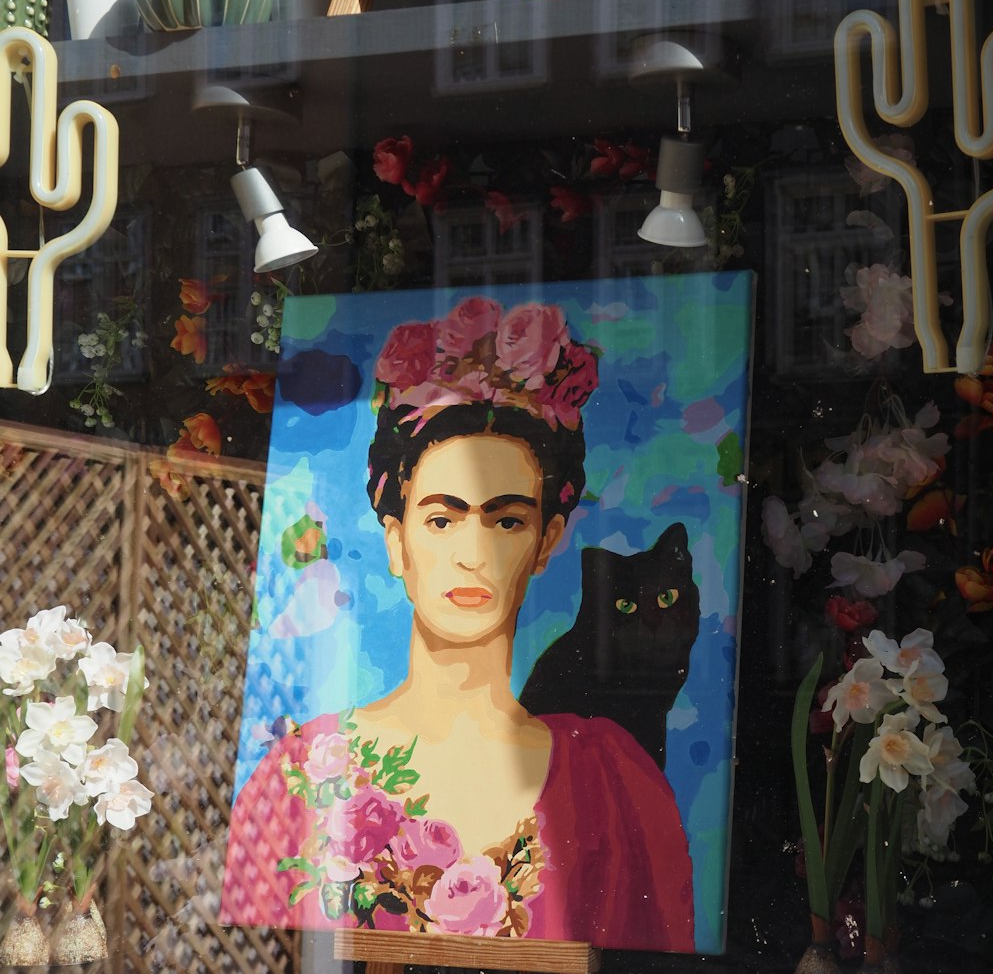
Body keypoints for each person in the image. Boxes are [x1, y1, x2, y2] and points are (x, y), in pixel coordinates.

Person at [221, 296, 695, 950]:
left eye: (506, 520)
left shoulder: (613, 783)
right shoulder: (296, 780)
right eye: (442, 518)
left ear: (547, 539)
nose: (472, 553)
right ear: (396, 539)